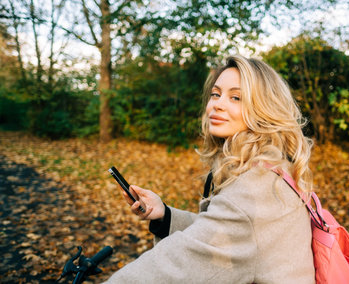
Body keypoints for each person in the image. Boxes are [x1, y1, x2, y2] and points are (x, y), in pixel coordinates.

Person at [105, 55, 316, 283]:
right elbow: (228, 233)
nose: (218, 104)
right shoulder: (269, 167)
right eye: (216, 94)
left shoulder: (256, 186)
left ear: (264, 108)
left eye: (236, 97)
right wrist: (166, 216)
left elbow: (176, 265)